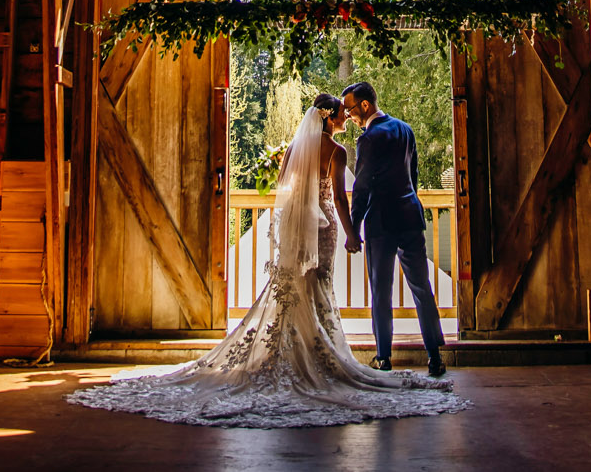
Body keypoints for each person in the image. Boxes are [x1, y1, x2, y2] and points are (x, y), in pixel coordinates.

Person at [67, 92, 466, 428]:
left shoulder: (299, 148)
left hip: (321, 226)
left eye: (349, 108)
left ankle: (372, 356)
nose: (347, 115)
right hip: (385, 217)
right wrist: (347, 229)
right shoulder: (362, 143)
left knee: (327, 287)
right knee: (384, 288)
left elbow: (295, 189)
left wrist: (346, 224)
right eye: (341, 111)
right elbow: (351, 194)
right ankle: (427, 355)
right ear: (331, 116)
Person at [342, 79, 447, 377]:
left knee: (381, 291)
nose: (348, 116)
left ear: (365, 105)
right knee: (422, 288)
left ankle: (384, 357)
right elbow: (412, 176)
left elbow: (361, 187)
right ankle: (435, 357)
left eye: (350, 109)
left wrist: (354, 228)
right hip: (410, 216)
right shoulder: (405, 129)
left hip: (381, 221)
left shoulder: (368, 139)